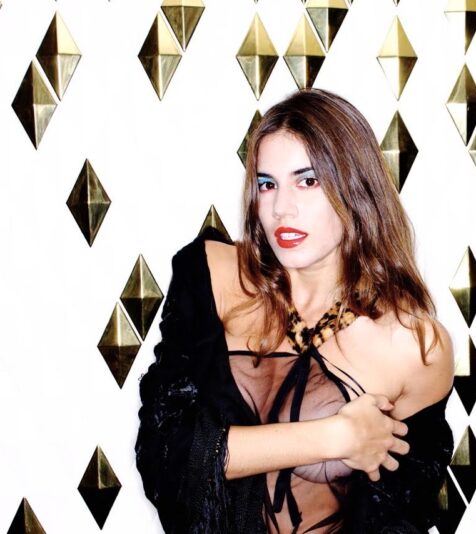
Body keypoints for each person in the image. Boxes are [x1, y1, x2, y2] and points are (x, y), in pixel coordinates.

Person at [134, 88, 455, 533]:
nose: (282, 209)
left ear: (355, 188)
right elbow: (164, 454)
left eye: (308, 181)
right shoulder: (213, 276)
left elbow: (396, 520)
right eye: (267, 185)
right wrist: (335, 436)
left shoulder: (413, 345)